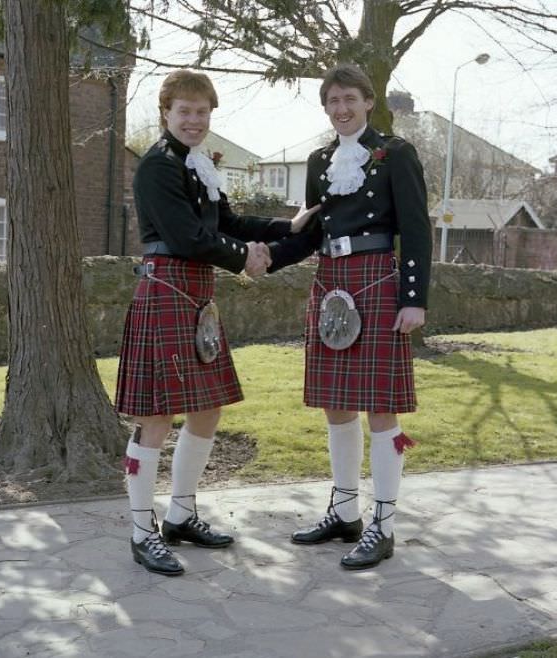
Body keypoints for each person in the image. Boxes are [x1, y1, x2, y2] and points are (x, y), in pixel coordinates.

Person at [115, 69, 317, 577]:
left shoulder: (198, 165)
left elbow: (224, 223)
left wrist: (281, 227)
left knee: (206, 411)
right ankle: (143, 531)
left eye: (202, 112)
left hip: (197, 295)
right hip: (166, 289)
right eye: (184, 111)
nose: (193, 120)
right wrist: (244, 258)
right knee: (156, 417)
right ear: (166, 113)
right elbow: (186, 237)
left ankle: (181, 515)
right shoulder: (158, 167)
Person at [266, 63, 432, 570]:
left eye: (349, 99)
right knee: (336, 405)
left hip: (380, 282)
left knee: (380, 407)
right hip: (331, 281)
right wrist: (265, 257)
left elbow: (417, 229)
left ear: (367, 101)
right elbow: (308, 232)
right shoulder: (319, 161)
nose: (341, 109)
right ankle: (344, 512)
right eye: (332, 101)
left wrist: (413, 298)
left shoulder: (395, 153)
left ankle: (383, 525)